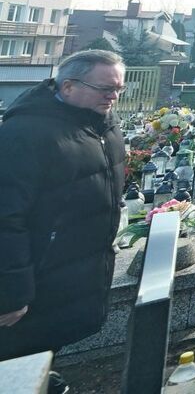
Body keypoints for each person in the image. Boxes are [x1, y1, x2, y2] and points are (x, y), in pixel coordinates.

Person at [0, 50, 127, 391]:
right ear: (67, 86)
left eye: (119, 89)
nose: (113, 96)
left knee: (46, 345)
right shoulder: (25, 133)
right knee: (17, 355)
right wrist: (11, 290)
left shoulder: (103, 124)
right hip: (39, 273)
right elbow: (6, 216)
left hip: (78, 268)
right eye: (105, 88)